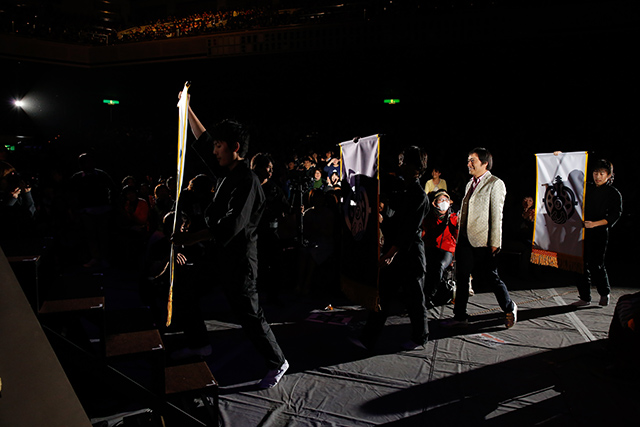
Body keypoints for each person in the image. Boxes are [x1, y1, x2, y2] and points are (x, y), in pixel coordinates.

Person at [171, 93, 288, 389]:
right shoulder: (226, 173)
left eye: (219, 146)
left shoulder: (247, 181)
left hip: (239, 262)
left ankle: (278, 361)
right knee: (186, 288)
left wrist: (190, 237)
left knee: (250, 316)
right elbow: (203, 141)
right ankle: (200, 344)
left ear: (235, 148)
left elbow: (230, 226)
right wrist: (187, 109)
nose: (214, 150)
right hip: (218, 256)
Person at [358, 146, 430, 351]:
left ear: (416, 167)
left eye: (405, 162)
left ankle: (420, 337)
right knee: (383, 296)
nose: (401, 166)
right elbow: (395, 221)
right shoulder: (402, 190)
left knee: (415, 299)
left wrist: (390, 254)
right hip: (395, 251)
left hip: (409, 254)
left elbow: (408, 231)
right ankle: (368, 338)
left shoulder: (419, 195)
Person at [443, 147, 517, 328]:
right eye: (468, 160)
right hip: (465, 239)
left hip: (483, 240)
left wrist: (495, 242)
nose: (469, 164)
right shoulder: (470, 183)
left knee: (491, 276)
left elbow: (497, 215)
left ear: (485, 163)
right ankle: (460, 316)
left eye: (472, 160)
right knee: (462, 278)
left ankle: (509, 307)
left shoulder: (495, 183)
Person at [571, 158, 622, 307]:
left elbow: (615, 215)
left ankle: (604, 293)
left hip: (599, 233)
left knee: (596, 265)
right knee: (580, 265)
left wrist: (594, 224)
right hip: (581, 232)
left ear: (608, 175)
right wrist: (559, 158)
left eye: (601, 173)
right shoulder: (587, 188)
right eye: (595, 173)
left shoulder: (613, 193)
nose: (598, 176)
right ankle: (585, 297)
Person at [422, 189, 458, 308]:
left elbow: (457, 237)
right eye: (441, 200)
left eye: (446, 200)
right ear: (434, 203)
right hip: (431, 247)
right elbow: (423, 235)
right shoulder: (429, 217)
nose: (444, 202)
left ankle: (429, 296)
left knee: (439, 265)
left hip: (447, 249)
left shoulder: (453, 218)